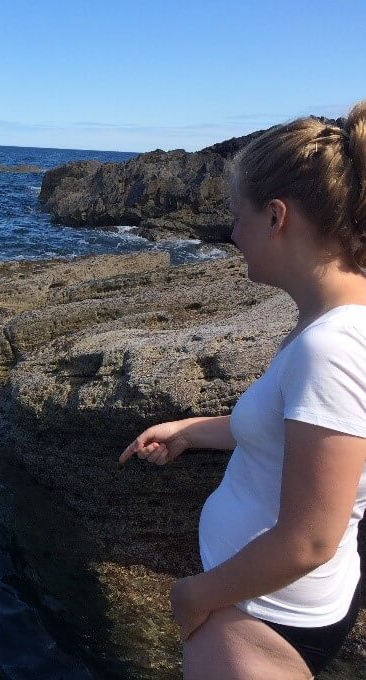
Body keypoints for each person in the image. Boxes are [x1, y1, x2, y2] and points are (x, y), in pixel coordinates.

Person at [120, 101, 366, 679]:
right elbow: (294, 432)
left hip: (266, 619)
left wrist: (196, 597)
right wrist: (190, 431)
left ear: (276, 217)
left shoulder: (332, 347)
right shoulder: (329, 323)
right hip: (263, 605)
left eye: (238, 217)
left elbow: (309, 540)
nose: (232, 234)